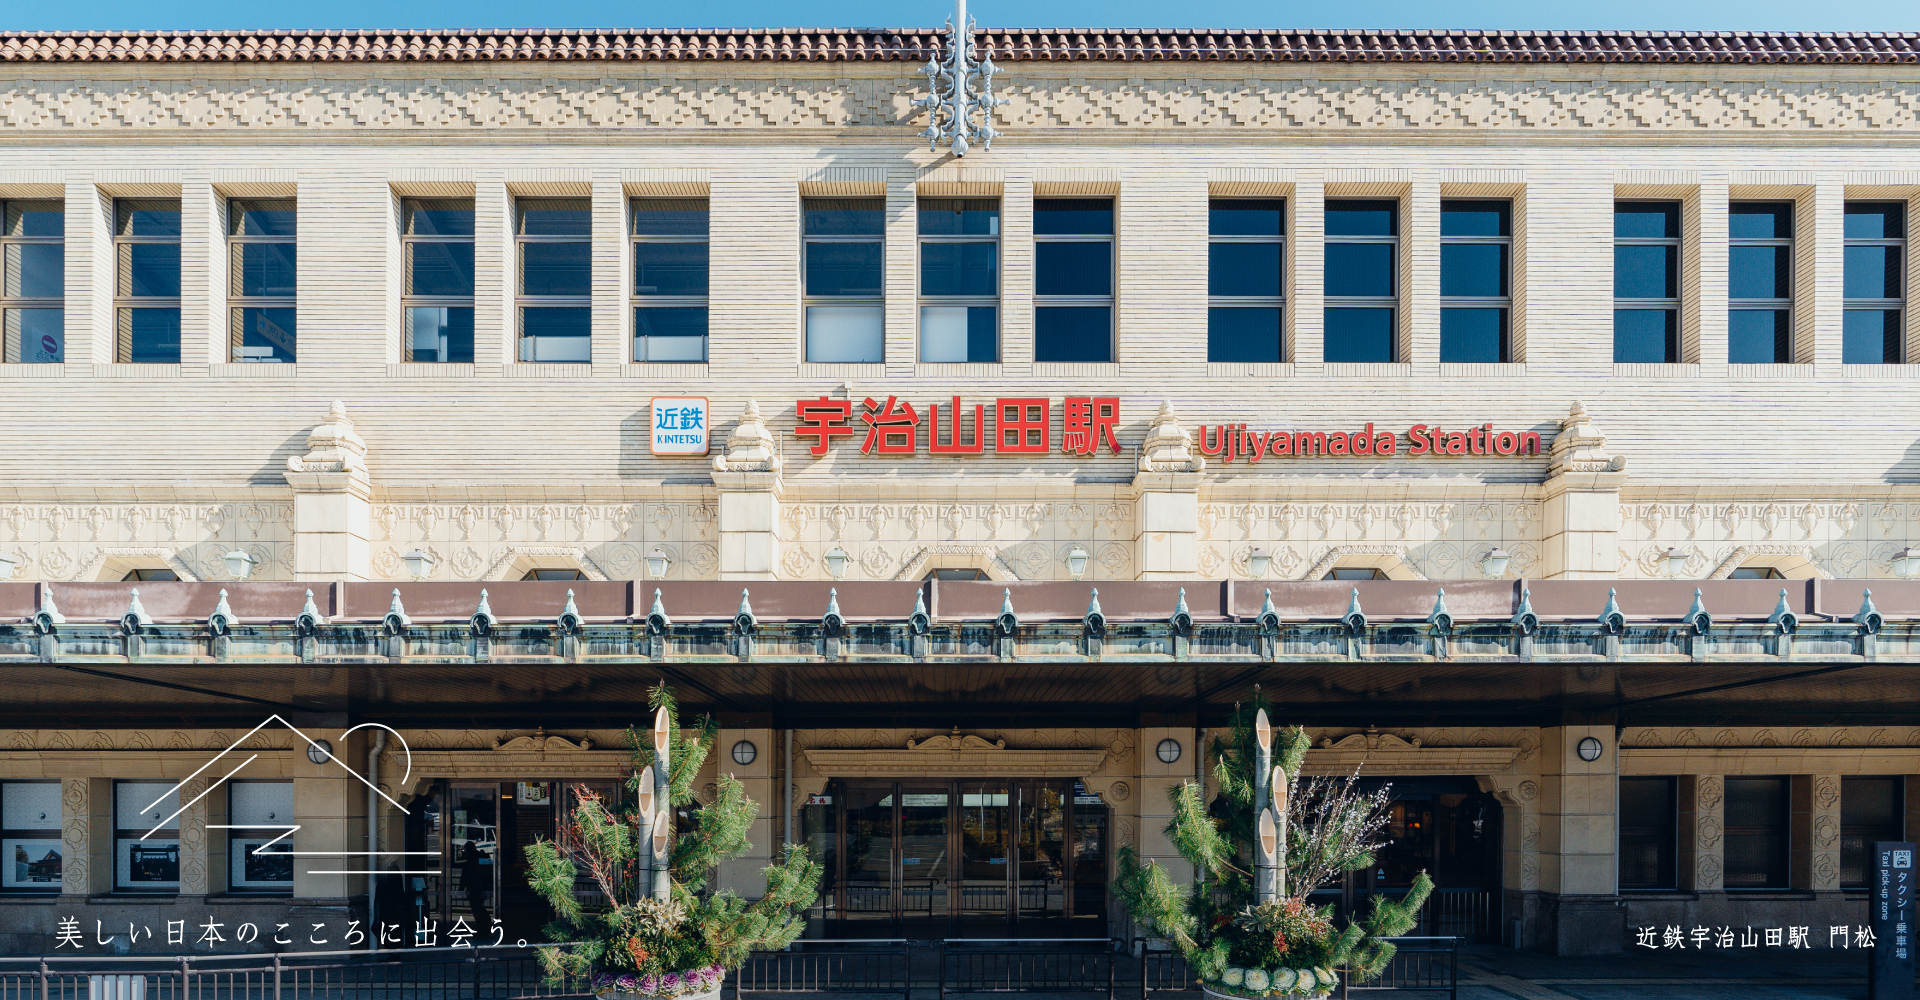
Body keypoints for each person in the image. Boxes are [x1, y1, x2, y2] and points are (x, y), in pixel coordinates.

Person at [458, 841, 492, 929]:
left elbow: (464, 876)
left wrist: (461, 888)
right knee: (479, 907)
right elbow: (489, 871)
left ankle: (483, 926)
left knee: (476, 908)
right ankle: (485, 925)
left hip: (474, 887)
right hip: (483, 886)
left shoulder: (470, 859)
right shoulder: (482, 857)